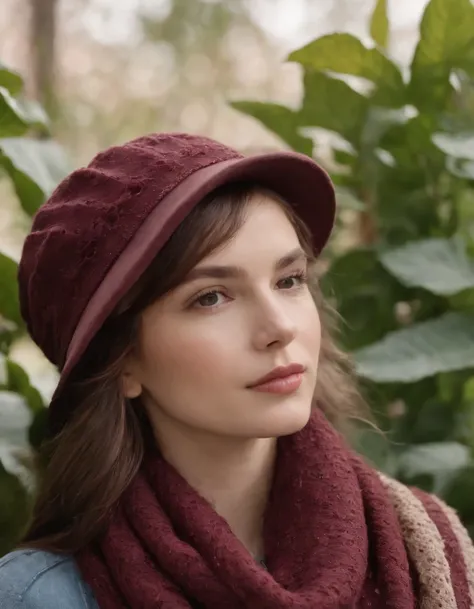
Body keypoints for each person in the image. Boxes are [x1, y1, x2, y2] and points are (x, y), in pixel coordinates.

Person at [0, 133, 472, 609]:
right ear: (121, 361)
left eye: (289, 280)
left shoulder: (422, 543)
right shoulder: (40, 597)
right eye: (210, 297)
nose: (279, 327)